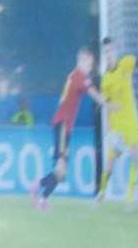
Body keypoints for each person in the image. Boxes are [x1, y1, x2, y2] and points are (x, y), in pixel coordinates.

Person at [33, 48, 96, 201]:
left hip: (65, 127)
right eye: (89, 62)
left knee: (62, 173)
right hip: (62, 124)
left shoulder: (75, 76)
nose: (91, 66)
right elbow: (93, 93)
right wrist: (107, 103)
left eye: (91, 63)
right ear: (82, 60)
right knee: (61, 166)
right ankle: (43, 198)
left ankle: (38, 188)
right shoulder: (79, 76)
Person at [97, 41, 138, 200]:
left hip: (131, 120)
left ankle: (130, 195)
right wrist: (109, 118)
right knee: (110, 160)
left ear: (116, 51)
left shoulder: (126, 63)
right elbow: (105, 103)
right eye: (106, 51)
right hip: (116, 124)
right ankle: (102, 192)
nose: (108, 54)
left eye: (110, 50)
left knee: (135, 155)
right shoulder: (105, 79)